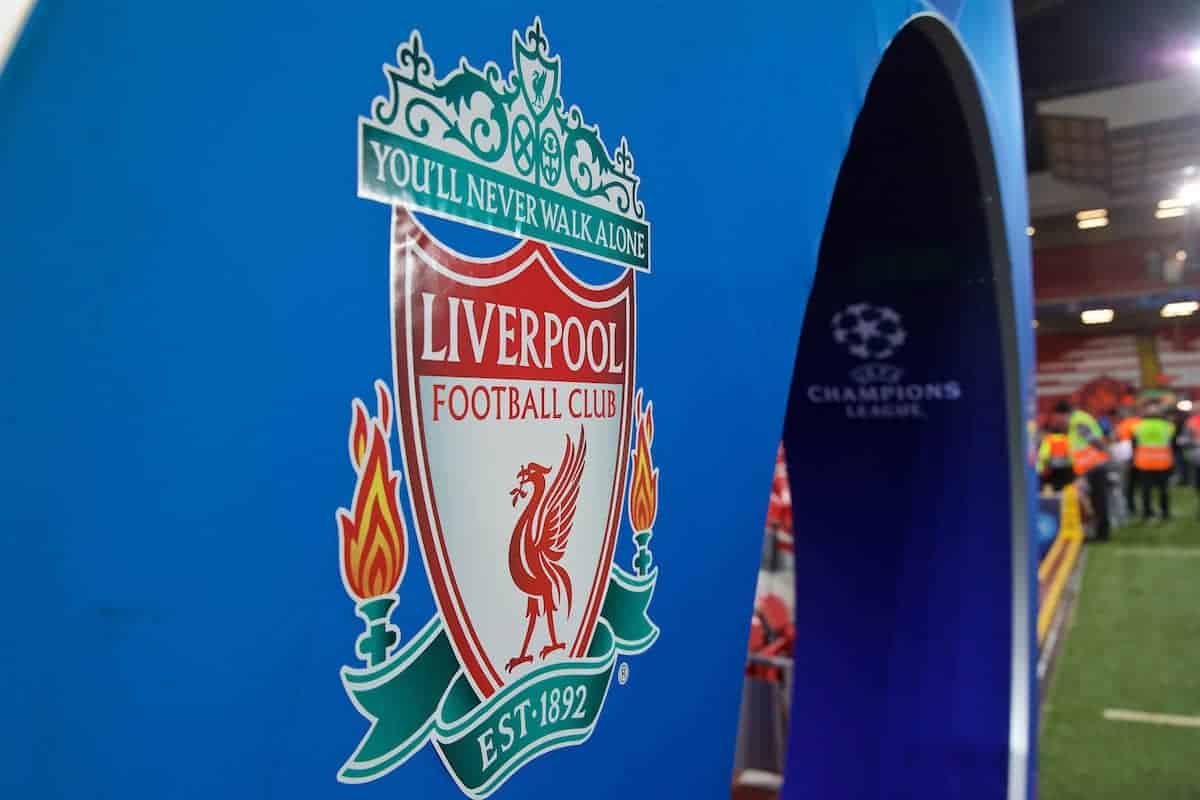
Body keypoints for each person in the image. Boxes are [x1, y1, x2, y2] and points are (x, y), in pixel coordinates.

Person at [1056, 400, 1111, 541]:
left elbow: (1093, 440)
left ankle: (1102, 534)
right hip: (1091, 466)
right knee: (1095, 501)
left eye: (1059, 418)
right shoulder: (1077, 421)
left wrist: (1106, 453)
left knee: (1098, 501)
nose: (1059, 422)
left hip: (1094, 466)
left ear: (1064, 414)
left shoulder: (1078, 421)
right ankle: (1098, 532)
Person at [1133, 404, 1175, 524]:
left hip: (1144, 463)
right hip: (1163, 462)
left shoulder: (1139, 426)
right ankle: (1165, 512)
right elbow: (1172, 440)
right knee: (1163, 489)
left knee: (1146, 490)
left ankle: (1147, 513)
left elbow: (1135, 442)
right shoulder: (1167, 426)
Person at [1115, 407, 1143, 517]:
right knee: (1139, 485)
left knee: (1128, 485)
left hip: (1127, 458)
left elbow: (1120, 440)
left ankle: (1130, 507)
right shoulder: (1138, 422)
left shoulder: (1123, 425)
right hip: (1140, 457)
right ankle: (1134, 507)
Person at [1037, 426, 1074, 492]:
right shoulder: (1066, 439)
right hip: (1066, 469)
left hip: (1052, 469)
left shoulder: (1048, 439)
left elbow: (1044, 456)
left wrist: (1044, 468)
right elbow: (1072, 455)